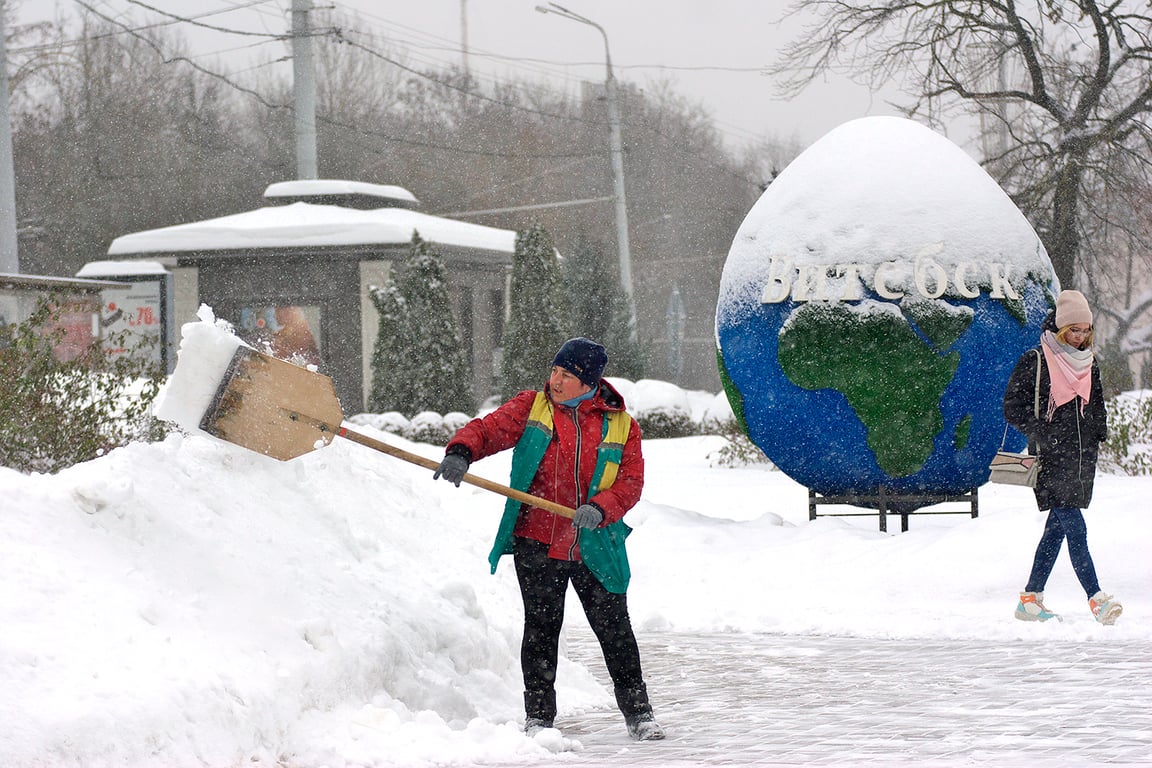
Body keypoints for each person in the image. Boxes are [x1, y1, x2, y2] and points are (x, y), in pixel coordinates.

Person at [433, 337, 665, 741]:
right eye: (555, 370)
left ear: (589, 381)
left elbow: (631, 481)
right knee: (541, 629)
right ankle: (539, 717)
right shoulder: (532, 406)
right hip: (537, 539)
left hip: (595, 543)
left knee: (614, 630)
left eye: (566, 375)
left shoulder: (621, 425)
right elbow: (489, 430)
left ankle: (639, 713)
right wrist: (461, 452)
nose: (555, 380)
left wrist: (601, 507)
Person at [1003, 289, 1121, 625]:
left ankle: (1030, 598)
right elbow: (1012, 407)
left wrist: (1099, 431)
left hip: (1082, 458)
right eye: (1074, 330)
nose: (1081, 337)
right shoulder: (1036, 360)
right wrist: (1044, 433)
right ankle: (1097, 598)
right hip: (1050, 458)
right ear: (1060, 329)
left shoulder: (1090, 363)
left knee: (1056, 529)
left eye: (1086, 330)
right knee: (1076, 528)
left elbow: (1096, 404)